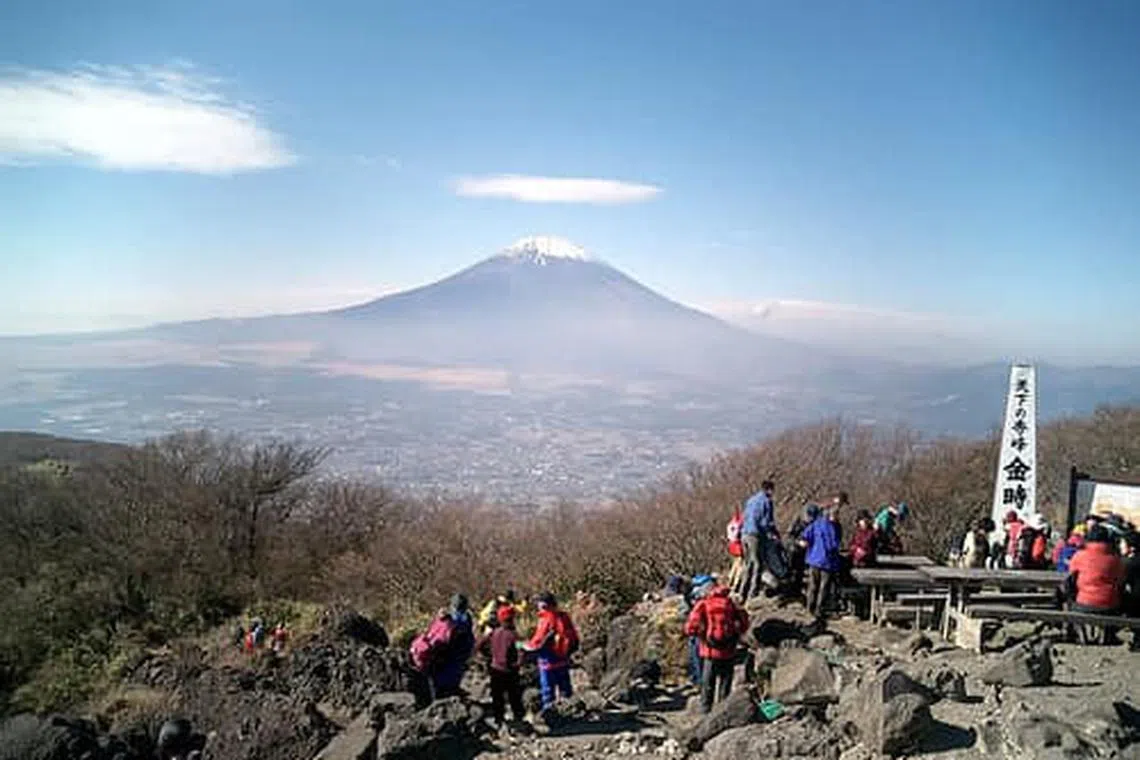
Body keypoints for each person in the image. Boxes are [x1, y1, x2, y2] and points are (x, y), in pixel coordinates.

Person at [684, 584, 749, 714]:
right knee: (725, 682)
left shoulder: (704, 603)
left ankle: (705, 709)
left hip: (710, 649)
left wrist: (701, 636)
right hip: (729, 648)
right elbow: (744, 623)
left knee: (708, 682)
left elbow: (691, 628)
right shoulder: (731, 604)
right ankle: (722, 710)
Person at [523, 592, 579, 711]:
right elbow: (573, 635)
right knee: (565, 686)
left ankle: (550, 712)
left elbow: (538, 639)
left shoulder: (546, 618)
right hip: (563, 656)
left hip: (547, 659)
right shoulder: (563, 616)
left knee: (548, 689)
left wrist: (526, 646)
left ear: (543, 605)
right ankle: (570, 708)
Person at [475, 605, 526, 728]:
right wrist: (518, 664)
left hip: (495, 668)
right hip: (510, 670)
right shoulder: (513, 635)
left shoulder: (493, 633)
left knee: (497, 696)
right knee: (514, 695)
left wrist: (488, 656)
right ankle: (518, 718)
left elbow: (479, 645)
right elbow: (521, 652)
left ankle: (499, 720)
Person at [1066, 525, 1125, 614]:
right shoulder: (1115, 559)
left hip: (1084, 601)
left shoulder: (1080, 555)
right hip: (1110, 604)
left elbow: (1071, 574)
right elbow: (1120, 580)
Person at [801, 504, 843, 620]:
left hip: (814, 559)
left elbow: (805, 536)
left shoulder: (817, 523)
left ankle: (810, 609)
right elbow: (833, 545)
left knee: (813, 586)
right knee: (823, 587)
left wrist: (805, 542)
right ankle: (818, 610)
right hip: (826, 561)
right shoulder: (833, 527)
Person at [737, 480, 777, 600]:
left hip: (744, 533)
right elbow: (766, 522)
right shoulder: (766, 501)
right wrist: (772, 533)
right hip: (755, 535)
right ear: (769, 490)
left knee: (747, 563)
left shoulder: (751, 500)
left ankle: (741, 590)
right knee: (757, 564)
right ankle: (752, 593)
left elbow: (744, 516)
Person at [686, 574, 716, 685]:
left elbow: (692, 625)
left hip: (702, 635)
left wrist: (690, 632)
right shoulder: (726, 600)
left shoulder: (700, 604)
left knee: (697, 656)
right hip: (720, 640)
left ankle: (699, 681)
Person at [787, 503, 822, 596]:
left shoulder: (818, 522)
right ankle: (794, 590)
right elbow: (789, 536)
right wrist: (798, 542)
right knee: (796, 569)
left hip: (811, 550)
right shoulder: (797, 521)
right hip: (797, 549)